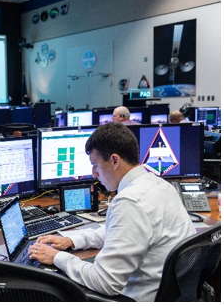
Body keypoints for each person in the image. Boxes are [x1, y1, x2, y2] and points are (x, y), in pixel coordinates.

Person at [28, 123, 194, 302]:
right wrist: (72, 241)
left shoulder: (130, 202)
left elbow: (105, 282)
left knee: (52, 289)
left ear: (114, 160)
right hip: (173, 293)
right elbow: (119, 232)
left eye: (95, 165)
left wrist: (58, 257)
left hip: (139, 297)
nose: (94, 173)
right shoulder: (159, 184)